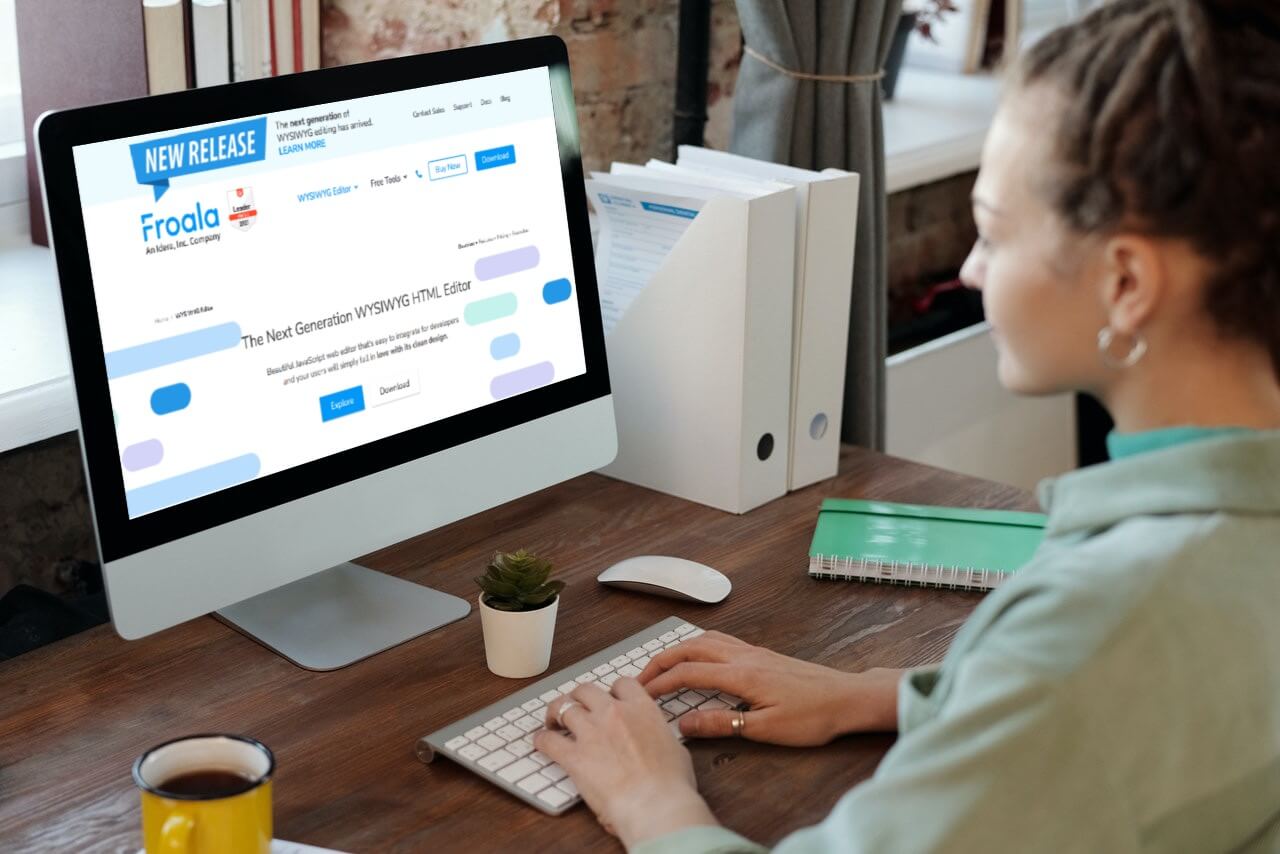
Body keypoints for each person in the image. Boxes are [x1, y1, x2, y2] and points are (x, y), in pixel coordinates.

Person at [531, 0, 1280, 850]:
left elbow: (1089, 680)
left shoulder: (1103, 623)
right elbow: (1149, 709)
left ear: (1127, 284)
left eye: (993, 234)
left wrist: (652, 801)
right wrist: (881, 692)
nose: (969, 267)